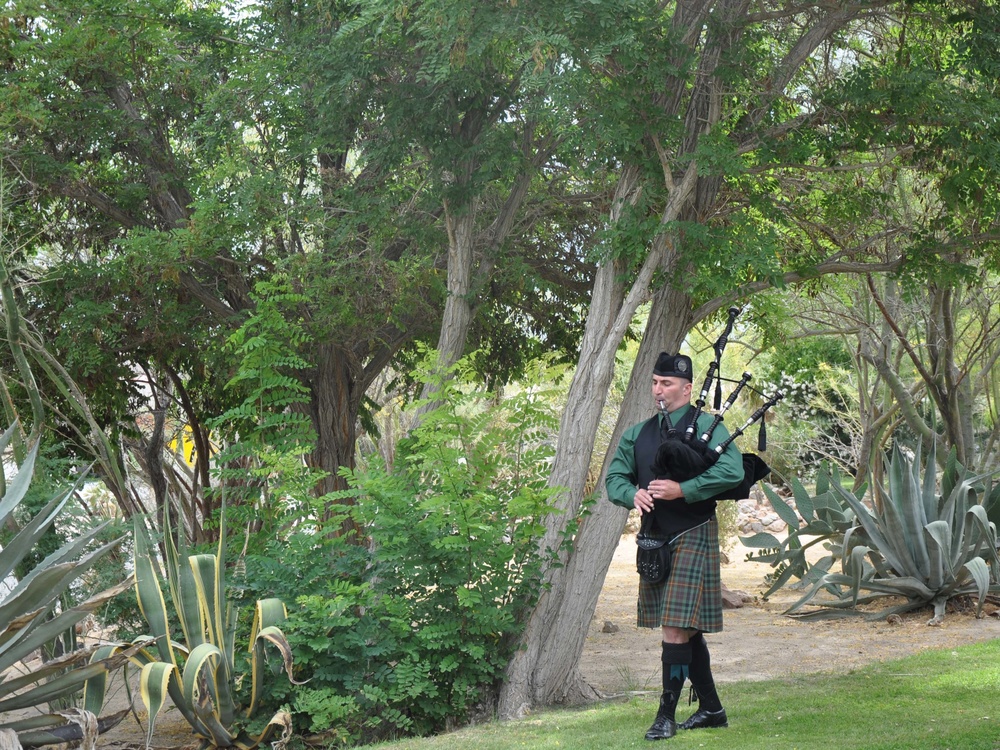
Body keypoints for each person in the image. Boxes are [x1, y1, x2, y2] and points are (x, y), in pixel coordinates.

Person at [606, 352, 744, 741]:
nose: (658, 390)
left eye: (666, 384)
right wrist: (631, 494)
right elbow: (615, 476)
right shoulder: (638, 434)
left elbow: (731, 470)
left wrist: (684, 489)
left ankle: (665, 714)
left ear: (686, 388)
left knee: (674, 628)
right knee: (686, 629)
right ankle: (712, 709)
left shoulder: (709, 428)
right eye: (654, 382)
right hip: (655, 538)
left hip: (693, 530)